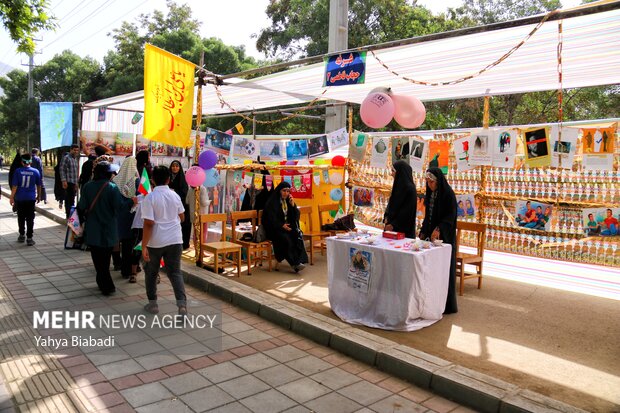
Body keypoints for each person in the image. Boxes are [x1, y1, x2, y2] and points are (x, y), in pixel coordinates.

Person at [78, 162, 134, 296]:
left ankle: (102, 281)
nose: (113, 174)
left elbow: (82, 205)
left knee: (97, 258)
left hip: (92, 230)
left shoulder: (87, 186)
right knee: (105, 258)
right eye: (112, 172)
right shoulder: (112, 188)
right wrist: (132, 201)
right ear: (107, 173)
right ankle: (107, 286)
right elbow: (119, 206)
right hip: (108, 229)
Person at [141, 165, 187, 315]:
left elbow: (148, 223)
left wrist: (144, 246)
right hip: (175, 239)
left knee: (151, 272)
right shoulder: (175, 196)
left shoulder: (150, 197)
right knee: (175, 273)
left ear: (152, 180)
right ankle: (182, 305)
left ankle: (153, 304)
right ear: (168, 179)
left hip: (156, 241)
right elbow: (182, 217)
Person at [419, 167, 458, 314]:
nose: (429, 185)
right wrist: (424, 230)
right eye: (427, 182)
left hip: (444, 238)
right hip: (431, 236)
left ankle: (447, 305)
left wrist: (439, 229)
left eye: (432, 182)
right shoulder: (430, 194)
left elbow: (450, 216)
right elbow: (428, 215)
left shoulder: (448, 194)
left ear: (438, 181)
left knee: (444, 271)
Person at [262, 181, 308, 273]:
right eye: (284, 191)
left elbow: (295, 217)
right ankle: (295, 264)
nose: (286, 193)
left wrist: (293, 206)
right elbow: (269, 219)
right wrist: (281, 225)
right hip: (274, 229)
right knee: (286, 239)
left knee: (296, 235)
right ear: (279, 191)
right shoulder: (272, 202)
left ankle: (299, 261)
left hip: (286, 227)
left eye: (288, 191)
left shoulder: (287, 201)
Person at [113, 156, 140, 282]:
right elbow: (140, 198)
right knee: (130, 244)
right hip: (131, 216)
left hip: (119, 216)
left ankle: (120, 266)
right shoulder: (135, 181)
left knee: (121, 242)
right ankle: (128, 270)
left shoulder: (115, 180)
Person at [9, 154, 42, 246]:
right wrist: (39, 196)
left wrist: (11, 197)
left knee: (21, 217)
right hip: (31, 199)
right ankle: (30, 238)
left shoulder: (17, 171)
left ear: (21, 162)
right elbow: (39, 185)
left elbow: (15, 186)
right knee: (30, 218)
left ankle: (22, 235)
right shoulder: (36, 171)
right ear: (30, 162)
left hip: (20, 198)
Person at [383, 160, 417, 238]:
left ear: (400, 172)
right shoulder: (397, 186)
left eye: (393, 171)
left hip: (403, 232)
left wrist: (393, 225)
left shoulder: (410, 189)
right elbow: (391, 204)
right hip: (391, 229)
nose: (391, 174)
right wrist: (386, 217)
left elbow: (408, 212)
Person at [169, 160, 192, 249]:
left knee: (183, 225)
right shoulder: (168, 177)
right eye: (173, 166)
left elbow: (184, 192)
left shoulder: (183, 178)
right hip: (170, 206)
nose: (175, 168)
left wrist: (174, 192)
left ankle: (183, 244)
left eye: (177, 166)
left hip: (181, 206)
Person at [186, 180, 211, 247]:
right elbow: (203, 202)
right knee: (203, 233)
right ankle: (201, 251)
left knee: (196, 232)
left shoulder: (190, 189)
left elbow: (187, 201)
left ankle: (196, 250)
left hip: (193, 214)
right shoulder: (202, 188)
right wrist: (209, 201)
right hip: (202, 215)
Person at [59, 144, 80, 219]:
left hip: (74, 182)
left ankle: (71, 216)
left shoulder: (75, 159)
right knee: (68, 200)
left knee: (72, 199)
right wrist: (63, 181)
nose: (76, 151)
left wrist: (77, 183)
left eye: (77, 150)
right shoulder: (66, 158)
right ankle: (68, 216)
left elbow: (76, 172)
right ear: (71, 150)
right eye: (74, 150)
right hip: (68, 182)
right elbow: (62, 169)